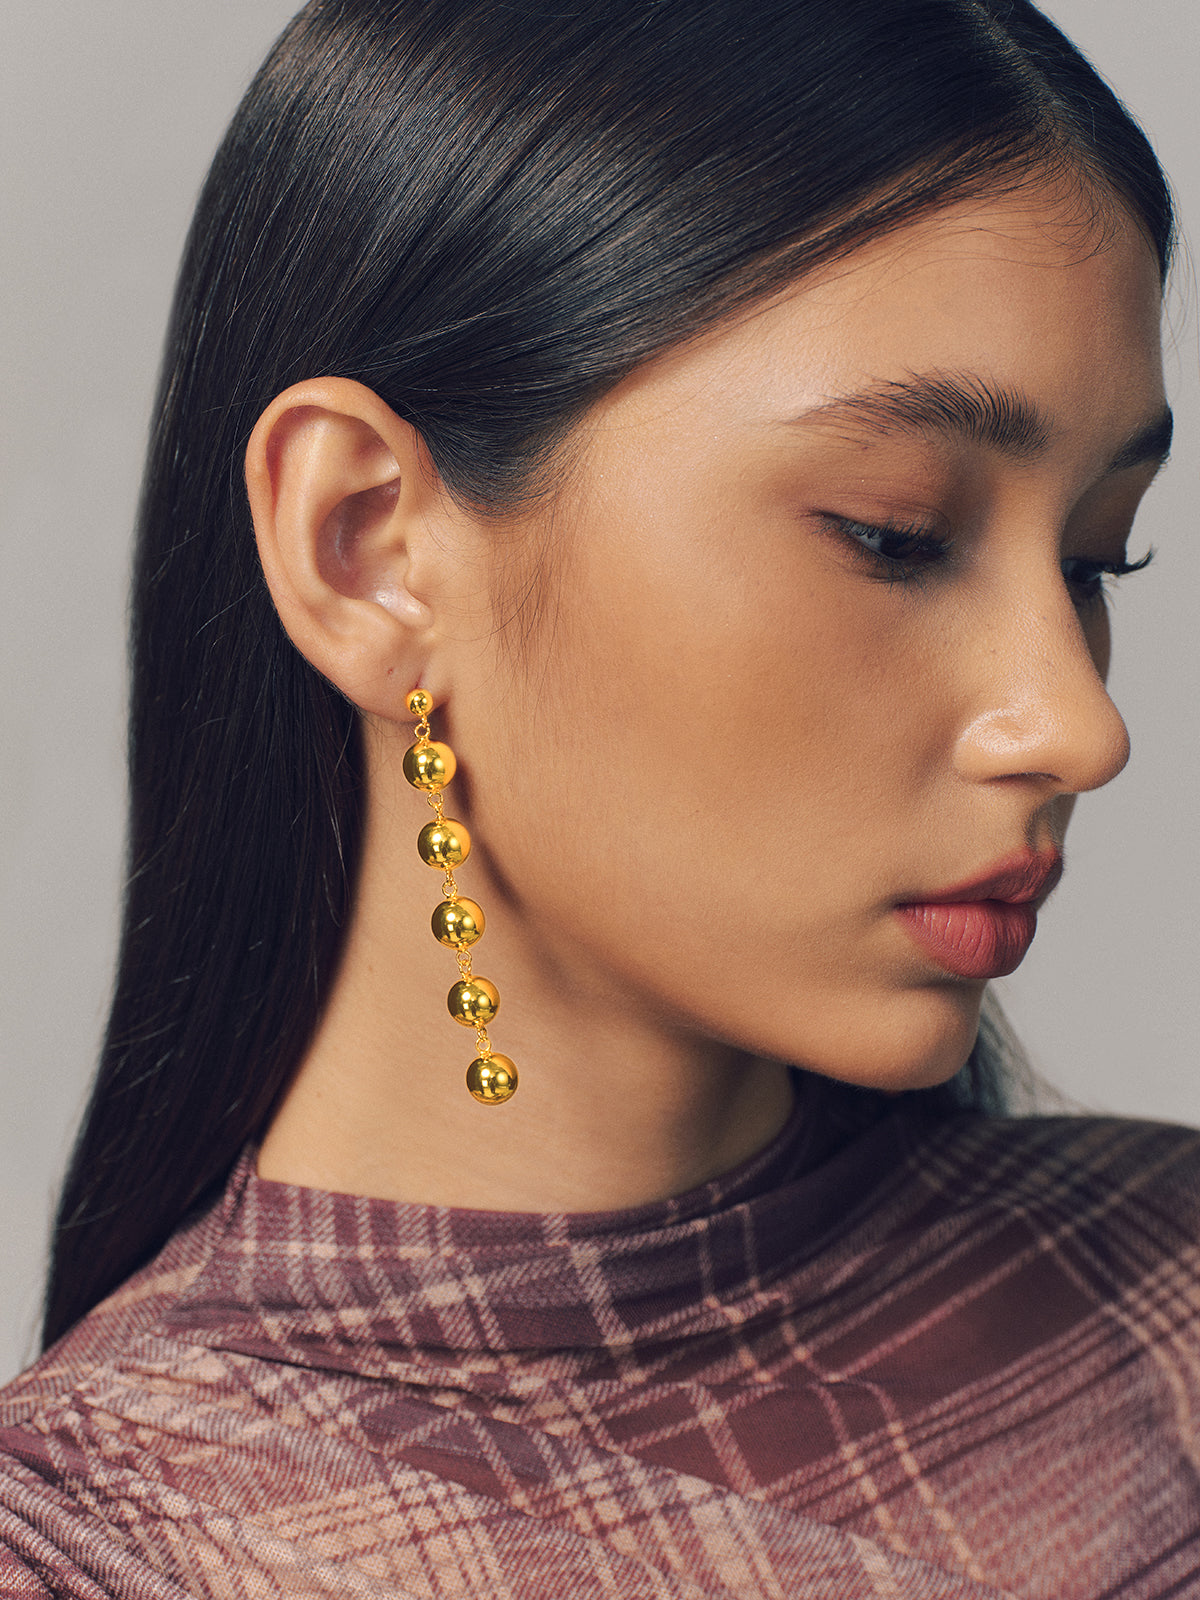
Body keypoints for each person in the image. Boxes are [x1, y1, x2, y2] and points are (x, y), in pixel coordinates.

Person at [1, 0, 1196, 1594]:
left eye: (1097, 556)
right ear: (366, 545)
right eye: (896, 534)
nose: (1078, 724)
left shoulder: (1168, 1299)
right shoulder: (99, 1548)